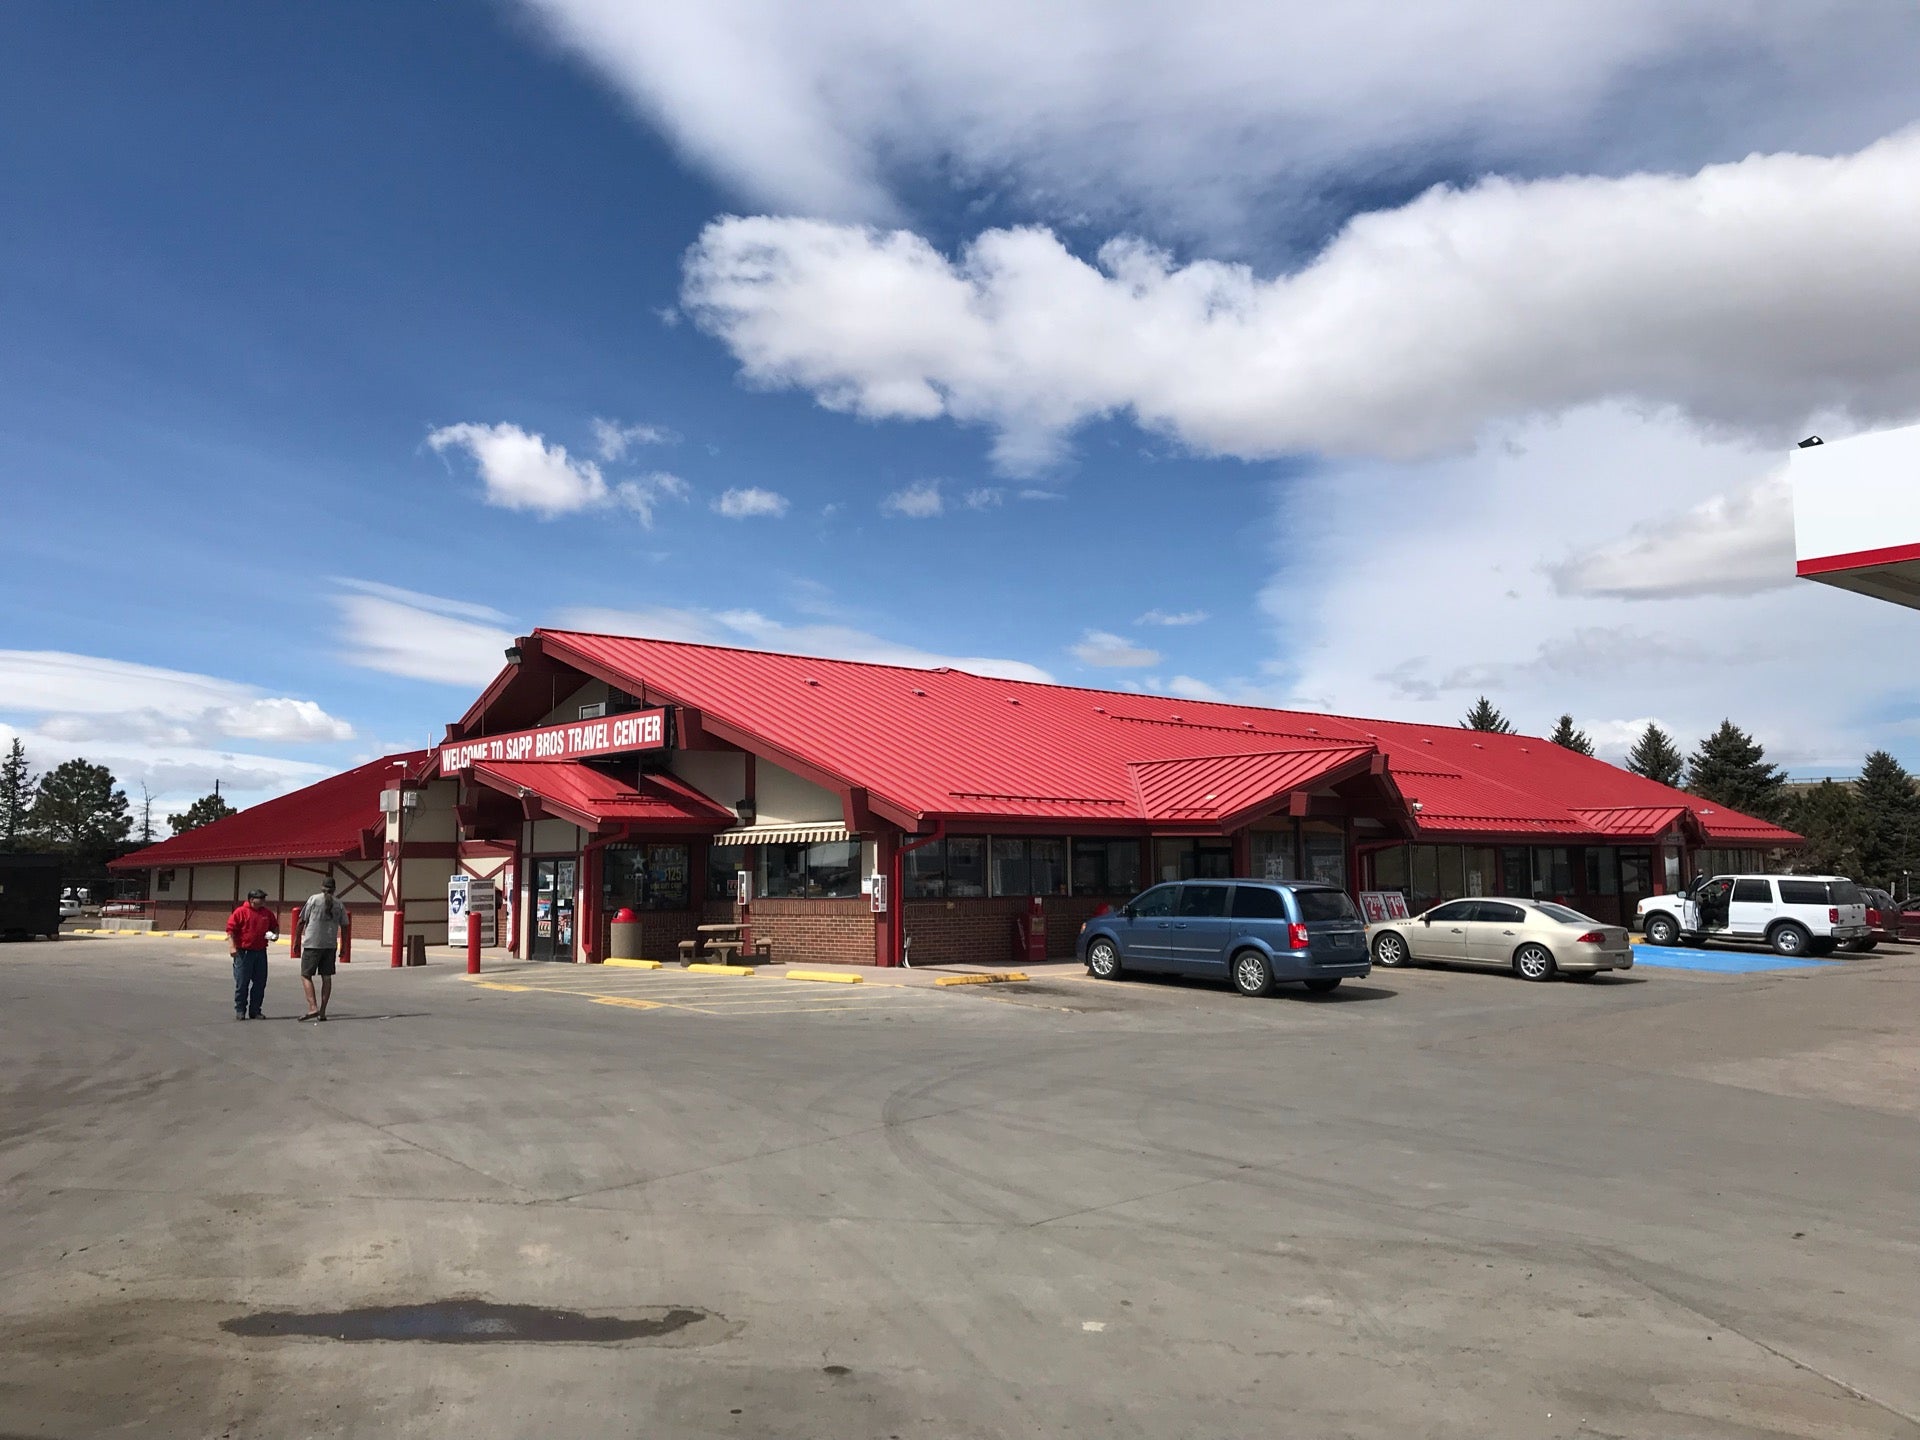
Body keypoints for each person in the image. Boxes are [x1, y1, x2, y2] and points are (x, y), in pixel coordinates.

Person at [298, 876, 348, 1022]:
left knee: (306, 975)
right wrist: (343, 946)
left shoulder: (313, 899)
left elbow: (302, 920)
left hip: (312, 944)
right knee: (326, 977)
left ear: (322, 887)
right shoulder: (339, 904)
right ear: (334, 889)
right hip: (330, 945)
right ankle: (323, 1012)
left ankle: (313, 1006)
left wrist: (296, 940)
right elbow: (345, 926)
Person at [225, 889, 279, 1020]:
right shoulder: (240, 912)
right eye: (260, 898)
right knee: (242, 982)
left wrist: (274, 935)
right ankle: (240, 1009)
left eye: (264, 898)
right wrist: (232, 947)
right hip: (244, 953)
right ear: (251, 899)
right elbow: (230, 930)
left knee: (260, 982)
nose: (263, 901)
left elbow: (275, 926)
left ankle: (255, 1010)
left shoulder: (267, 913)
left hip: (260, 952)